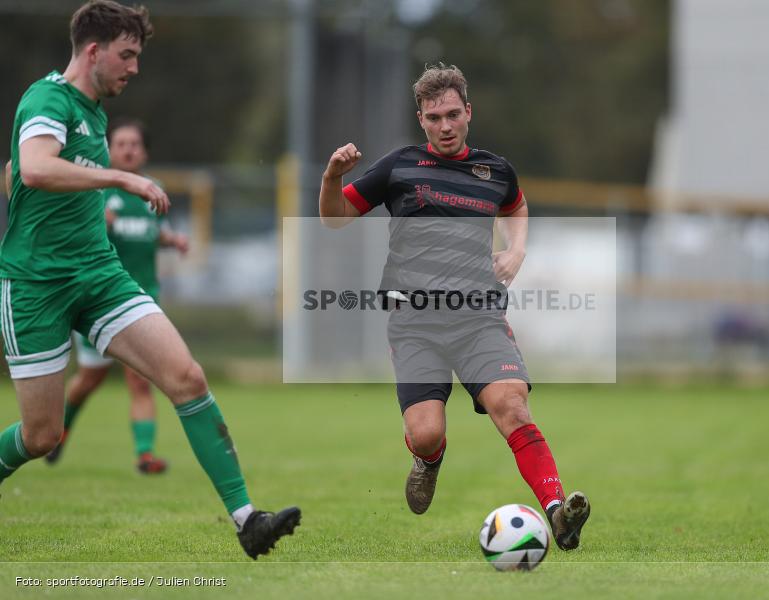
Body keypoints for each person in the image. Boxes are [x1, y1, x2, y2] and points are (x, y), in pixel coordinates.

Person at [0, 0, 298, 559]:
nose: (134, 68)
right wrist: (122, 178)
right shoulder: (48, 99)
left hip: (100, 275)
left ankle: (247, 520)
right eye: (127, 54)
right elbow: (35, 168)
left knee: (186, 377)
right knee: (42, 436)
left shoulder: (94, 113)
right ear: (94, 51)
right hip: (36, 285)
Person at [318, 63, 590, 551]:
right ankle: (428, 460)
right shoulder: (398, 166)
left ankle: (556, 511)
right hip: (415, 322)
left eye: (451, 115)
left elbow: (517, 205)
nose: (444, 126)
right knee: (425, 433)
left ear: (468, 112)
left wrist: (516, 249)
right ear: (420, 120)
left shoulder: (495, 170)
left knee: (512, 406)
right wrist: (333, 177)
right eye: (432, 117)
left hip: (479, 317)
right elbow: (334, 219)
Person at [45, 118, 189, 474]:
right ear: (109, 149)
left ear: (145, 151)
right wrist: (97, 223)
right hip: (100, 302)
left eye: (134, 144)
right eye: (121, 143)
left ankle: (145, 454)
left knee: (141, 380)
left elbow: (154, 232)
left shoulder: (152, 190)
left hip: (143, 302)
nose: (127, 149)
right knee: (88, 381)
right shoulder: (96, 192)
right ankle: (59, 431)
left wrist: (174, 241)